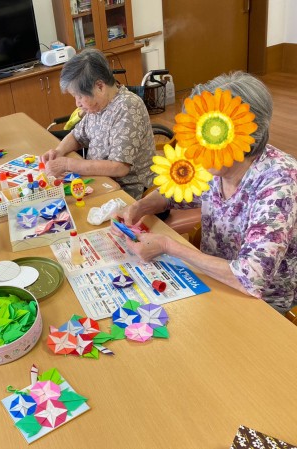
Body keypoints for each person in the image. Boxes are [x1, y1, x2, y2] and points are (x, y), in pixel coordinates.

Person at [113, 71, 297, 314]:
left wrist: (168, 246)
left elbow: (251, 279)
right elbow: (175, 192)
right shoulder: (214, 162)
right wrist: (140, 207)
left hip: (262, 306)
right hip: (212, 280)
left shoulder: (280, 181)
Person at [42, 48, 155, 200]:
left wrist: (68, 164)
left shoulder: (128, 107)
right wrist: (58, 152)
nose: (77, 103)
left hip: (131, 192)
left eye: (79, 96)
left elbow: (119, 167)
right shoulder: (97, 106)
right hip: (101, 180)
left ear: (100, 87)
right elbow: (76, 136)